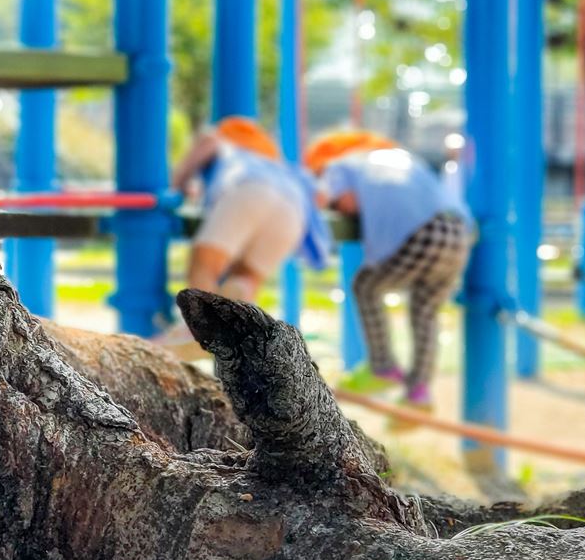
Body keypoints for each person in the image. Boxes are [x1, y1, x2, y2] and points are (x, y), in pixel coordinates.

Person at [308, 130, 475, 409]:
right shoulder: (402, 158)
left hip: (424, 232)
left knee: (366, 285)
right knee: (424, 312)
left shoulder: (340, 166)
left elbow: (332, 198)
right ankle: (418, 391)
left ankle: (383, 366)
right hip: (458, 233)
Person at [158, 117, 329, 343]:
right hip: (294, 208)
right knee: (246, 276)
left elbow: (206, 144)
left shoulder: (225, 140)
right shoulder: (273, 159)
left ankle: (196, 329)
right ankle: (234, 321)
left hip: (250, 188)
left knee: (206, 264)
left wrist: (177, 184)